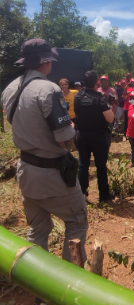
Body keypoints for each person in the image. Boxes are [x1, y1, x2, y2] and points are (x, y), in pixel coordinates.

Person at [1, 38, 88, 264]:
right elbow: (65, 141)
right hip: (52, 174)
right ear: (47, 62)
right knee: (77, 221)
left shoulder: (10, 88)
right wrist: (71, 128)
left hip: (26, 171)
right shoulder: (50, 89)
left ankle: (38, 281)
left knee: (38, 228)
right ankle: (69, 282)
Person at [74, 70, 115, 202]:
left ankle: (82, 195)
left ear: (84, 83)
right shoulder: (100, 98)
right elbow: (110, 119)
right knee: (100, 166)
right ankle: (103, 195)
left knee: (83, 165)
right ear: (97, 82)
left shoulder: (78, 97)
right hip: (98, 137)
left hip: (81, 135)